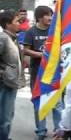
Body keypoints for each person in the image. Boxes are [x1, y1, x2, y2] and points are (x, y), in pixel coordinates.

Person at [23, 6, 62, 140]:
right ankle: (41, 131)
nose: (50, 18)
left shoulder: (55, 31)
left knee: (57, 103)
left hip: (54, 72)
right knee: (39, 102)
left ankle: (59, 130)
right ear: (39, 17)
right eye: (47, 15)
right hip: (37, 73)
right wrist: (42, 55)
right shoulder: (31, 32)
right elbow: (26, 50)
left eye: (51, 15)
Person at [0, 10, 25, 140]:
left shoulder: (13, 38)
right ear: (7, 24)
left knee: (8, 116)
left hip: (11, 83)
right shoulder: (3, 38)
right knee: (4, 119)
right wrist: (4, 74)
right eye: (16, 21)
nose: (19, 23)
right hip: (5, 84)